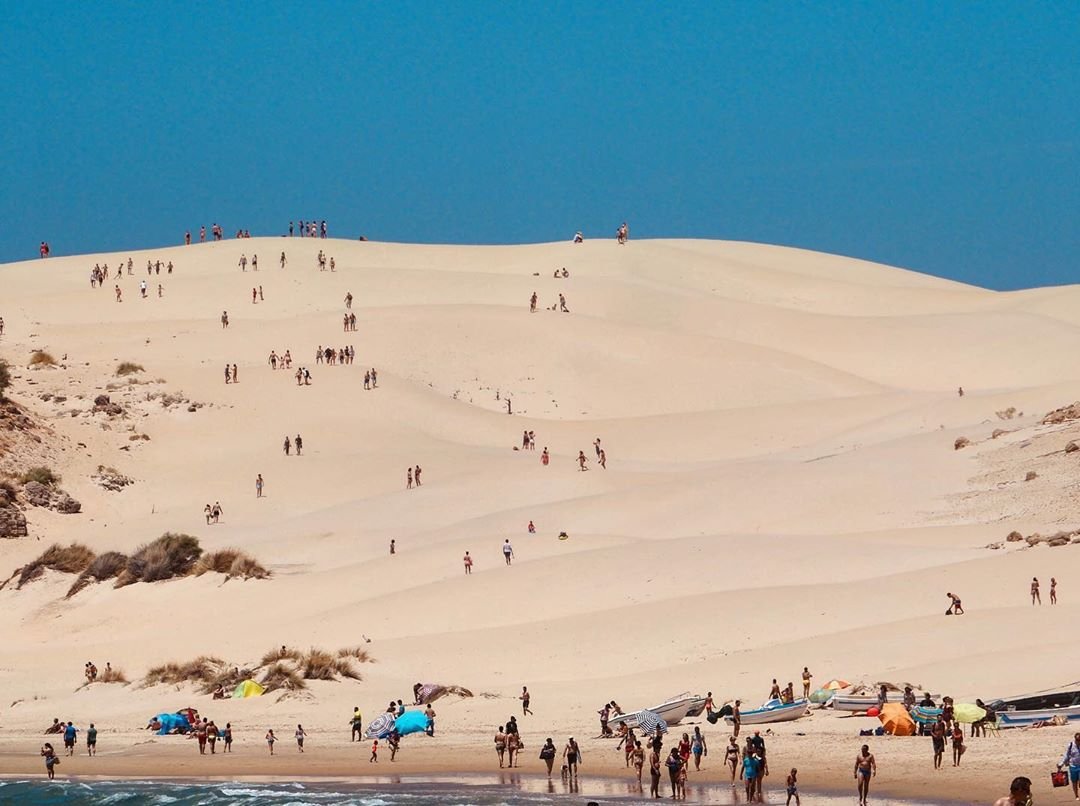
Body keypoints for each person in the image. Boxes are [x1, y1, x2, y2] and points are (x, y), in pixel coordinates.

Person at [1059, 732, 1080, 800]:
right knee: (1074, 782)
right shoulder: (1070, 745)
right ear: (1075, 739)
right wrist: (1061, 764)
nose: (1078, 741)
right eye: (1077, 740)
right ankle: (1076, 795)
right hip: (1073, 766)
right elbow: (1066, 755)